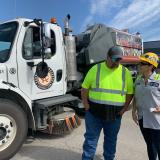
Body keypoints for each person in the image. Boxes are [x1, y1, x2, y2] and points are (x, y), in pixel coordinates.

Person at [81, 46, 134, 160]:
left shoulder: (125, 73)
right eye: (114, 59)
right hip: (94, 114)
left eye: (119, 60)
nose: (116, 62)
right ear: (107, 57)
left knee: (111, 141)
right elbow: (84, 88)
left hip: (114, 116)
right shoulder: (96, 69)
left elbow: (130, 92)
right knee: (91, 140)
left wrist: (124, 108)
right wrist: (85, 105)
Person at [132, 52, 160, 160]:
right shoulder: (138, 80)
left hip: (156, 119)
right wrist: (133, 111)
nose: (139, 65)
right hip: (142, 118)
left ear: (151, 66)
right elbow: (136, 96)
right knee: (149, 145)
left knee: (158, 145)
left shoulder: (158, 79)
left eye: (142, 63)